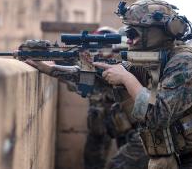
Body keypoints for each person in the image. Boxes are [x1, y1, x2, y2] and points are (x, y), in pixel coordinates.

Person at [93, 0, 192, 169]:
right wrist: (63, 69)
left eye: (134, 33)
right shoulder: (161, 61)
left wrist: (127, 79)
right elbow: (105, 77)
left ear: (157, 33)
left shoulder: (185, 63)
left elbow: (157, 115)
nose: (129, 40)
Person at [26, 26, 149, 169]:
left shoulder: (131, 67)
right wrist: (51, 67)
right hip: (102, 125)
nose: (104, 52)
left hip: (133, 129)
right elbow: (80, 75)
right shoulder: (102, 68)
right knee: (93, 161)